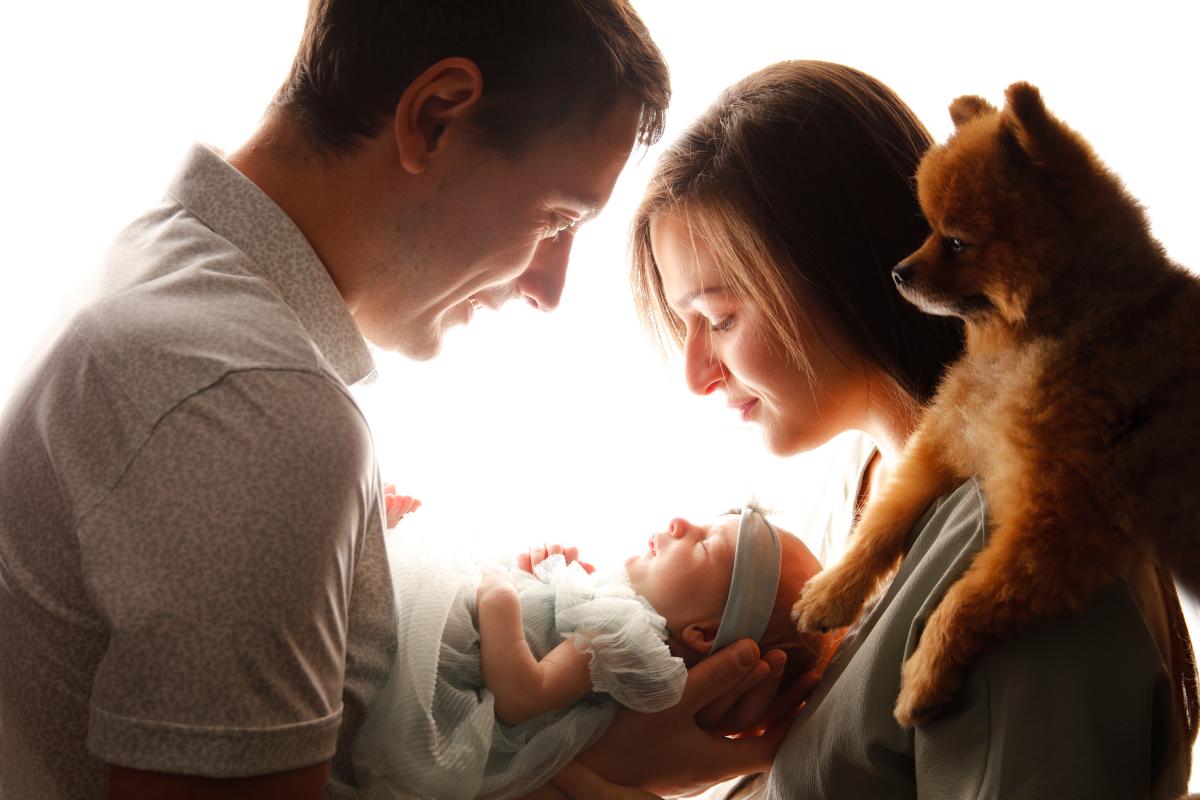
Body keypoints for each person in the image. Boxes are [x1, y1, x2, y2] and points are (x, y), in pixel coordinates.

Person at [0, 3, 739, 798]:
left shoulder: (168, 266)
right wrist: (585, 776)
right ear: (433, 116)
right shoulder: (259, 408)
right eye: (556, 218)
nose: (549, 289)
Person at [562, 60, 1199, 798]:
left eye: (721, 318)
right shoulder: (853, 495)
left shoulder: (1014, 535)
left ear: (845, 267)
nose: (696, 373)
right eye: (687, 327)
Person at [354, 501, 834, 800]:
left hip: (434, 673)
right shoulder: (609, 612)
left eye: (706, 544)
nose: (682, 521)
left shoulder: (623, 636)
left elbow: (523, 696)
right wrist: (538, 587)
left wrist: (499, 595)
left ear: (703, 635)